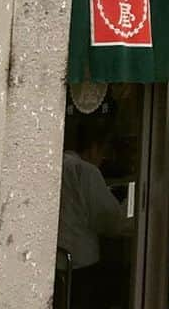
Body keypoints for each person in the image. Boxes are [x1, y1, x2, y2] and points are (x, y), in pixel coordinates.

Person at [56, 118, 131, 308]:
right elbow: (110, 220)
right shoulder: (86, 171)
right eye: (103, 152)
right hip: (81, 267)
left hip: (55, 262)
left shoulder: (55, 165)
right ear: (93, 148)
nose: (103, 159)